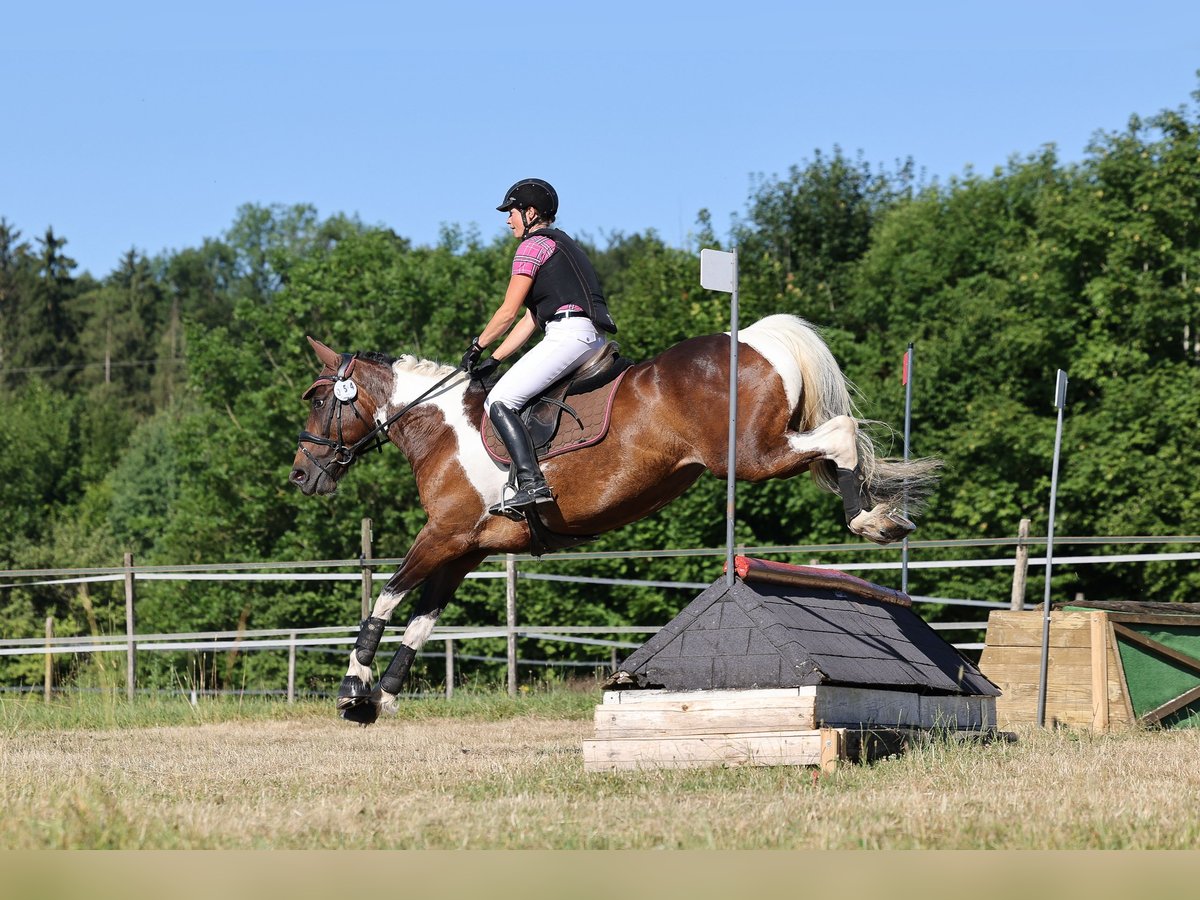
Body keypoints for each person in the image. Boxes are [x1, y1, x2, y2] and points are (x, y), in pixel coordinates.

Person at [460, 178, 618, 517]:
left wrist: (477, 345)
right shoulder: (563, 244)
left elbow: (507, 312)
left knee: (499, 400)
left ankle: (532, 484)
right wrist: (495, 359)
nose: (508, 220)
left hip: (569, 334)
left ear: (530, 213)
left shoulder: (531, 247)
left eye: (512, 213)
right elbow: (531, 319)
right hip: (586, 336)